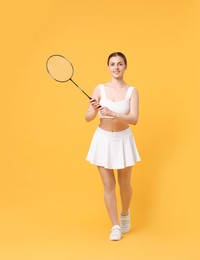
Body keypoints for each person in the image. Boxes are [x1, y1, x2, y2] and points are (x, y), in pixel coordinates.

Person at [85, 52, 141, 241]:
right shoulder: (99, 89)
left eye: (120, 64)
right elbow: (88, 118)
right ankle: (115, 226)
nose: (116, 67)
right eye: (112, 64)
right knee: (108, 185)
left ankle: (125, 213)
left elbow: (134, 119)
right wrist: (93, 108)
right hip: (103, 140)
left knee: (124, 184)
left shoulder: (132, 91)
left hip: (123, 139)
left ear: (125, 66)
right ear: (108, 67)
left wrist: (113, 113)